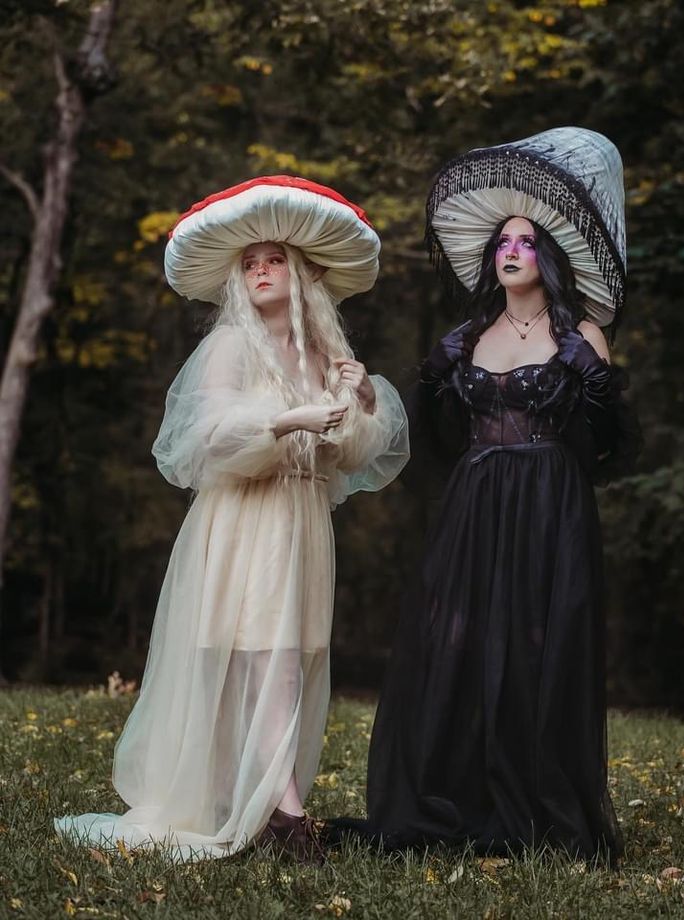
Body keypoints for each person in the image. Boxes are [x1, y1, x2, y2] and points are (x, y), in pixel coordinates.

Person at [54, 175, 409, 862]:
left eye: (274, 260)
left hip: (302, 522)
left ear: (301, 273)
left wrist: (358, 401)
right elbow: (208, 441)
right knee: (260, 664)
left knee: (287, 664)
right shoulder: (228, 348)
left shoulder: (320, 359)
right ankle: (285, 814)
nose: (261, 271)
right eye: (250, 265)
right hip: (248, 518)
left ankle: (260, 802)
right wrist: (284, 419)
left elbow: (349, 461)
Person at [329, 127, 640, 863]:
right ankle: (454, 794)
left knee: (541, 643)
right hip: (474, 503)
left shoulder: (586, 334)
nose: (510, 249)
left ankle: (535, 802)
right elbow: (436, 440)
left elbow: (610, 447)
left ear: (548, 257)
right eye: (502, 240)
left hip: (550, 505)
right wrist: (434, 378)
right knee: (459, 642)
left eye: (526, 241)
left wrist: (587, 373)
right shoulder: (465, 336)